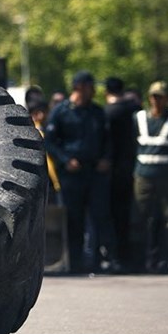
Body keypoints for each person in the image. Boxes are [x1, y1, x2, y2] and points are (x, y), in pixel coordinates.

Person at [43, 71, 119, 274]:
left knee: (99, 216)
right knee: (74, 219)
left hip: (95, 173)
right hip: (71, 174)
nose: (93, 91)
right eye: (90, 86)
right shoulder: (61, 111)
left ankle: (98, 260)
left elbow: (107, 140)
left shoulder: (97, 111)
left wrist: (106, 159)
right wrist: (65, 160)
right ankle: (75, 262)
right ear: (78, 87)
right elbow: (49, 141)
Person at [131, 81, 168, 275]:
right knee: (138, 217)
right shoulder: (138, 118)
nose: (156, 100)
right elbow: (132, 145)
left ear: (167, 98)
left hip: (166, 176)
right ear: (149, 98)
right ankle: (138, 261)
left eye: (160, 96)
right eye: (154, 96)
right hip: (143, 175)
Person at [103, 76, 141, 272]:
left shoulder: (106, 113)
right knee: (130, 215)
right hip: (133, 166)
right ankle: (133, 257)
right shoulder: (134, 110)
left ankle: (115, 256)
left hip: (111, 170)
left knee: (112, 215)